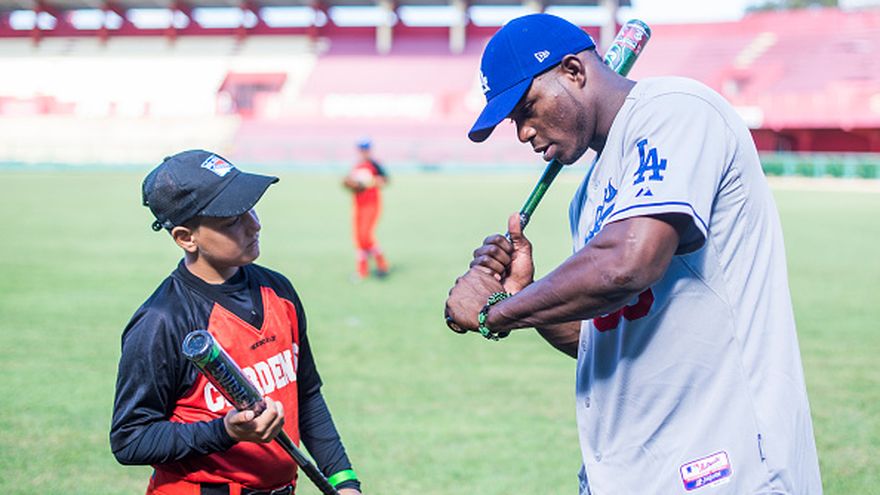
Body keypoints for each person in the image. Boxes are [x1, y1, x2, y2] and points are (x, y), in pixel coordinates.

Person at [444, 13, 822, 494]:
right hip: (637, 470)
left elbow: (628, 263)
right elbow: (604, 338)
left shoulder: (675, 111)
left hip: (724, 462)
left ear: (574, 72)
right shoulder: (588, 196)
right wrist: (525, 295)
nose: (522, 133)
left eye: (526, 108)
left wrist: (494, 313)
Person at [110, 150, 363, 495]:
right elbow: (130, 439)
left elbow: (306, 395)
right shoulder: (161, 321)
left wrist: (343, 481)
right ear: (186, 237)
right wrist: (225, 431)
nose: (254, 225)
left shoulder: (279, 290)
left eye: (251, 210)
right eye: (231, 221)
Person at [342, 138, 389, 280]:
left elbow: (385, 180)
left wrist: (371, 181)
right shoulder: (356, 166)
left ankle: (382, 264)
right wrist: (350, 184)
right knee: (358, 238)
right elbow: (351, 185)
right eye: (361, 149)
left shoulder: (375, 164)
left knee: (366, 236)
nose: (363, 152)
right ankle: (362, 270)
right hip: (358, 205)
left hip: (371, 204)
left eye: (365, 149)